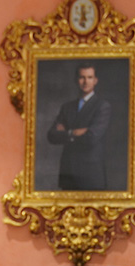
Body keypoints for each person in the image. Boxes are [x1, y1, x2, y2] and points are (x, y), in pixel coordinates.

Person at [46, 62, 111, 191]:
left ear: (95, 81)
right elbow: (52, 135)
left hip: (90, 175)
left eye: (90, 77)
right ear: (77, 80)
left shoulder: (102, 106)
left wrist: (65, 133)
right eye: (82, 77)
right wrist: (73, 132)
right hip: (68, 173)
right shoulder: (67, 107)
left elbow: (92, 137)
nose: (85, 82)